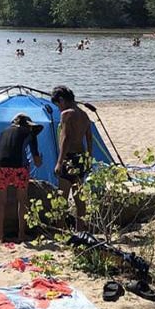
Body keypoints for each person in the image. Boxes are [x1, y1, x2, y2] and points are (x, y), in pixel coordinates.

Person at [0, 113, 43, 243]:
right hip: (19, 169)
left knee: (1, 200)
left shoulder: (3, 132)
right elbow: (37, 162)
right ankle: (21, 234)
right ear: (28, 125)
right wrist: (39, 160)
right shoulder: (30, 133)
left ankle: (0, 236)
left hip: (1, 167)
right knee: (22, 200)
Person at [52, 86, 93, 229]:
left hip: (69, 158)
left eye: (58, 105)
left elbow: (66, 138)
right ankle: (81, 228)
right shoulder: (84, 114)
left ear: (62, 100)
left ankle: (61, 230)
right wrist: (89, 157)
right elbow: (89, 138)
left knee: (61, 197)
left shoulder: (67, 114)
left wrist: (59, 162)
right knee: (78, 197)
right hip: (81, 157)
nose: (58, 109)